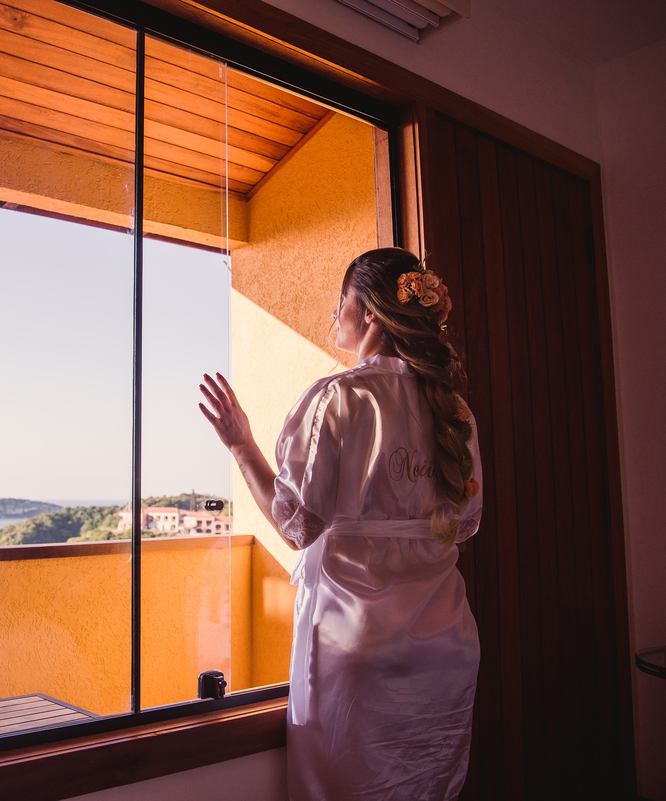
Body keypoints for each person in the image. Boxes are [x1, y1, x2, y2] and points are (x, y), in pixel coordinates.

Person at [198, 247, 483, 801]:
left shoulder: (339, 398)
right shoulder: (455, 412)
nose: (334, 312)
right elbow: (465, 524)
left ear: (369, 312)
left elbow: (295, 526)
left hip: (358, 653)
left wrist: (240, 444)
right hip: (447, 647)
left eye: (341, 299)